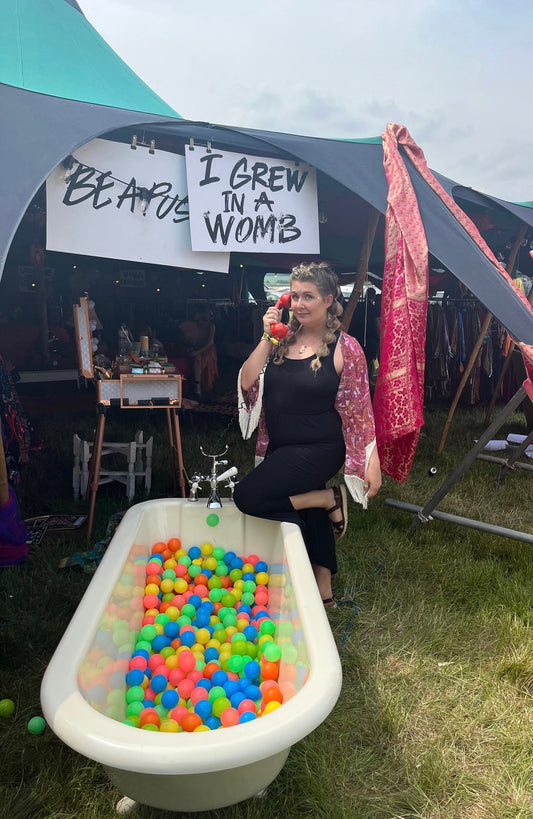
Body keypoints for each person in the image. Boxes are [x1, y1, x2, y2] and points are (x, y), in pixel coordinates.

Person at [234, 261, 381, 607]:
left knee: (247, 497)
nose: (299, 304)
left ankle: (326, 500)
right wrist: (267, 336)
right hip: (283, 446)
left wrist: (370, 460)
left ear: (329, 299)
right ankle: (324, 592)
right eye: (295, 295)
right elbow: (247, 383)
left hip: (320, 448)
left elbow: (359, 411)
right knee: (308, 504)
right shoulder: (281, 341)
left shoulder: (347, 349)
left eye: (309, 297)